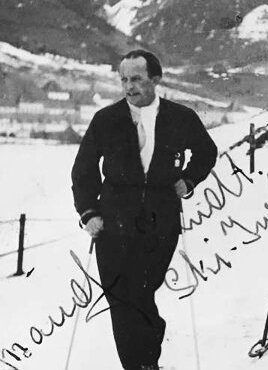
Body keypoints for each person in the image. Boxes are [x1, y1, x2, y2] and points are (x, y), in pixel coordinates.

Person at [71, 49, 217, 370]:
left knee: (139, 292)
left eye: (136, 79)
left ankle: (148, 350)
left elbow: (206, 151)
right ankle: (142, 365)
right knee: (119, 296)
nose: (128, 87)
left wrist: (188, 180)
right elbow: (83, 169)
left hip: (160, 220)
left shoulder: (181, 117)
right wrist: (89, 212)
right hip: (113, 221)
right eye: (123, 79)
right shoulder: (106, 119)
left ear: (155, 79)